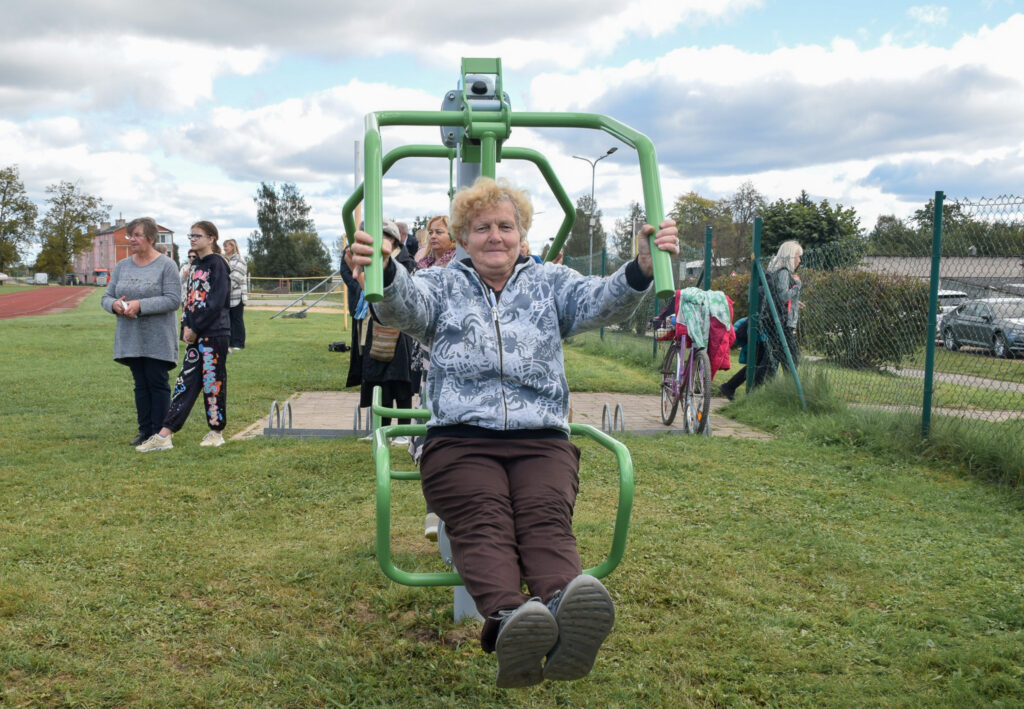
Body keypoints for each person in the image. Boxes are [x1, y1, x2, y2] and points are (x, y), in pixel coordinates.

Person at [346, 177, 679, 688]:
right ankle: (508, 621)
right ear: (462, 236)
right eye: (482, 228)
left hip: (541, 435)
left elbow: (600, 301)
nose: (495, 236)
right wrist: (383, 270)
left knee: (545, 519)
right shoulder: (442, 284)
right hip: (460, 437)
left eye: (506, 226)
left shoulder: (551, 283)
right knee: (483, 519)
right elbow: (404, 305)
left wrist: (639, 268)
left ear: (523, 234)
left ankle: (567, 607)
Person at [136, 221, 231, 452]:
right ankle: (164, 435)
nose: (193, 239)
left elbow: (216, 302)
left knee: (212, 382)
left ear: (211, 238)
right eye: (191, 235)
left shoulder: (218, 264)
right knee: (185, 383)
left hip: (213, 334)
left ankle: (216, 432)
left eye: (198, 235)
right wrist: (186, 327)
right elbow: (190, 300)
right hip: (195, 334)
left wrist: (196, 327)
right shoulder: (195, 264)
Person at [101, 217, 182, 445]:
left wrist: (140, 305)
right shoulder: (122, 266)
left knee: (157, 382)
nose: (132, 240)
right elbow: (106, 297)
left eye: (136, 235)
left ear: (151, 238)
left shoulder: (167, 265)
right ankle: (144, 431)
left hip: (158, 337)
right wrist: (115, 305)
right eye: (130, 235)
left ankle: (160, 433)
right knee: (140, 384)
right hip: (131, 337)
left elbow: (173, 300)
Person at [718, 240, 803, 400]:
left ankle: (752, 393)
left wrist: (794, 302)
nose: (800, 260)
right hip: (780, 323)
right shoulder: (784, 272)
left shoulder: (775, 270)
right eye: (798, 256)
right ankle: (792, 396)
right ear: (791, 256)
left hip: (771, 321)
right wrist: (797, 286)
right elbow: (783, 295)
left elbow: (778, 297)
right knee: (785, 361)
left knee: (769, 361)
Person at [223, 238, 248, 351]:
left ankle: (239, 343)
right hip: (228, 297)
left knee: (237, 320)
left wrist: (224, 289)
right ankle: (232, 341)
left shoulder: (240, 260)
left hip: (237, 296)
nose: (224, 248)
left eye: (226, 246)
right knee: (229, 319)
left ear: (233, 247)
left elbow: (236, 278)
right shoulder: (225, 260)